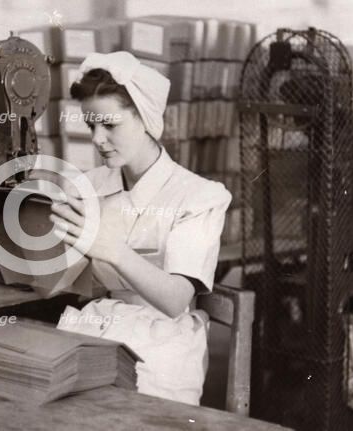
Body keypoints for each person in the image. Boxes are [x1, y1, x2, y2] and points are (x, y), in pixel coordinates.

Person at [49, 51, 232, 405]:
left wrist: (112, 249)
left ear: (145, 118)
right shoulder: (87, 187)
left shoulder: (198, 196)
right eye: (91, 126)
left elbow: (176, 300)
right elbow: (73, 282)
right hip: (98, 327)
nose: (98, 139)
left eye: (110, 125)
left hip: (161, 344)